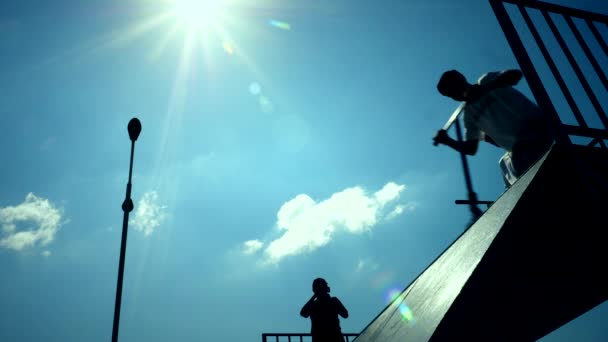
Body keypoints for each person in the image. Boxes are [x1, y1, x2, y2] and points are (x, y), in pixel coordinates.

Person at [433, 69, 555, 187]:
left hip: (537, 127)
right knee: (504, 165)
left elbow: (515, 74)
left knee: (520, 169)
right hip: (521, 147)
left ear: (462, 80)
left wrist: (488, 87)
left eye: (455, 88)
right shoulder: (468, 115)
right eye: (451, 94)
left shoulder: (486, 80)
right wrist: (448, 141)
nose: (456, 94)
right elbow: (470, 149)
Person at [300, 278, 349, 342]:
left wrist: (314, 296)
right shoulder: (315, 304)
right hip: (331, 336)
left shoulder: (332, 301)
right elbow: (303, 313)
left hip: (328, 336)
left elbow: (345, 315)